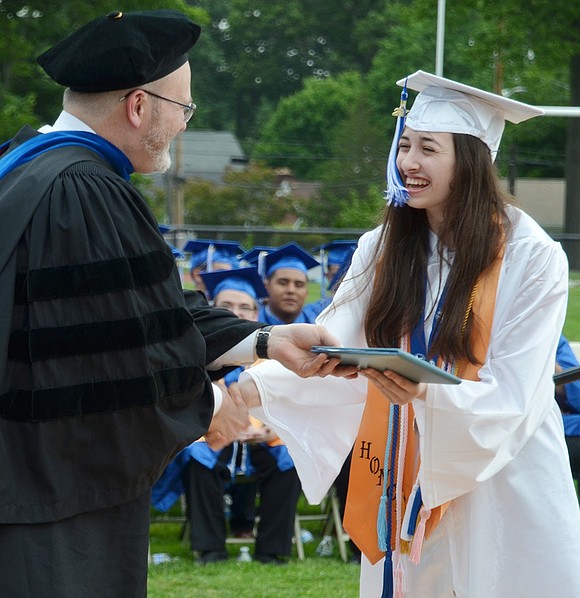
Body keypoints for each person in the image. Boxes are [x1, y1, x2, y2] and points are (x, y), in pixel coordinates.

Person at [0, 10, 344, 597]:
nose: (184, 124)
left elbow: (141, 305)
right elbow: (102, 347)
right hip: (55, 493)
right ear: (139, 105)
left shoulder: (25, 164)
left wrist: (266, 339)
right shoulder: (85, 191)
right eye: (183, 108)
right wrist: (211, 400)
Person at [238, 70, 580, 597]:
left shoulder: (531, 255)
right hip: (404, 459)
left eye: (427, 148)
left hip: (502, 470)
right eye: (404, 145)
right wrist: (248, 389)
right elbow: (335, 341)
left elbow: (518, 390)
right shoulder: (383, 244)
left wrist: (428, 393)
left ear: (470, 159)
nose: (408, 163)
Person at [154, 267, 302, 564]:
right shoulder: (199, 352)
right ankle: (211, 549)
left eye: (245, 307)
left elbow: (292, 405)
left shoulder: (276, 355)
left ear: (255, 312)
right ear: (212, 312)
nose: (237, 313)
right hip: (212, 436)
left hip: (263, 439)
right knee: (199, 460)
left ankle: (273, 551)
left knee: (288, 460)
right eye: (226, 307)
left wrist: (273, 431)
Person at [246, 242, 320, 324]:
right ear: (266, 286)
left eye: (299, 285)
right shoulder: (250, 324)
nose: (291, 290)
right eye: (283, 283)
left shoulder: (319, 325)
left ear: (306, 292)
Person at [555, 334, 580, 483]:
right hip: (517, 427)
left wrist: (546, 359)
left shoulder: (551, 334)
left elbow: (578, 393)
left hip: (560, 425)